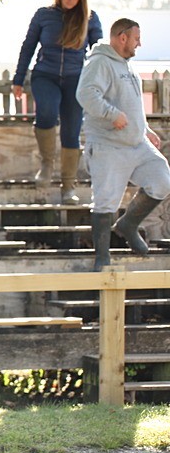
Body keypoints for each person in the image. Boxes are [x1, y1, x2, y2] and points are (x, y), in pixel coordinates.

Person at [77, 18, 170, 270]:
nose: (140, 43)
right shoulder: (100, 63)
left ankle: (128, 224)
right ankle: (102, 257)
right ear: (122, 37)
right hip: (109, 145)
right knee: (105, 201)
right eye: (136, 38)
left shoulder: (128, 66)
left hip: (137, 143)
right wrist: (111, 114)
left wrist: (145, 129)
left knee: (162, 179)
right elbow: (85, 94)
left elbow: (131, 105)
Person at [11, 0, 104, 203]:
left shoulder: (89, 18)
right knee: (48, 110)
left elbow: (99, 53)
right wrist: (18, 78)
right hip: (45, 75)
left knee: (72, 131)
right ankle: (46, 163)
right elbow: (28, 46)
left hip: (75, 79)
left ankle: (68, 187)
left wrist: (102, 83)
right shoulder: (44, 15)